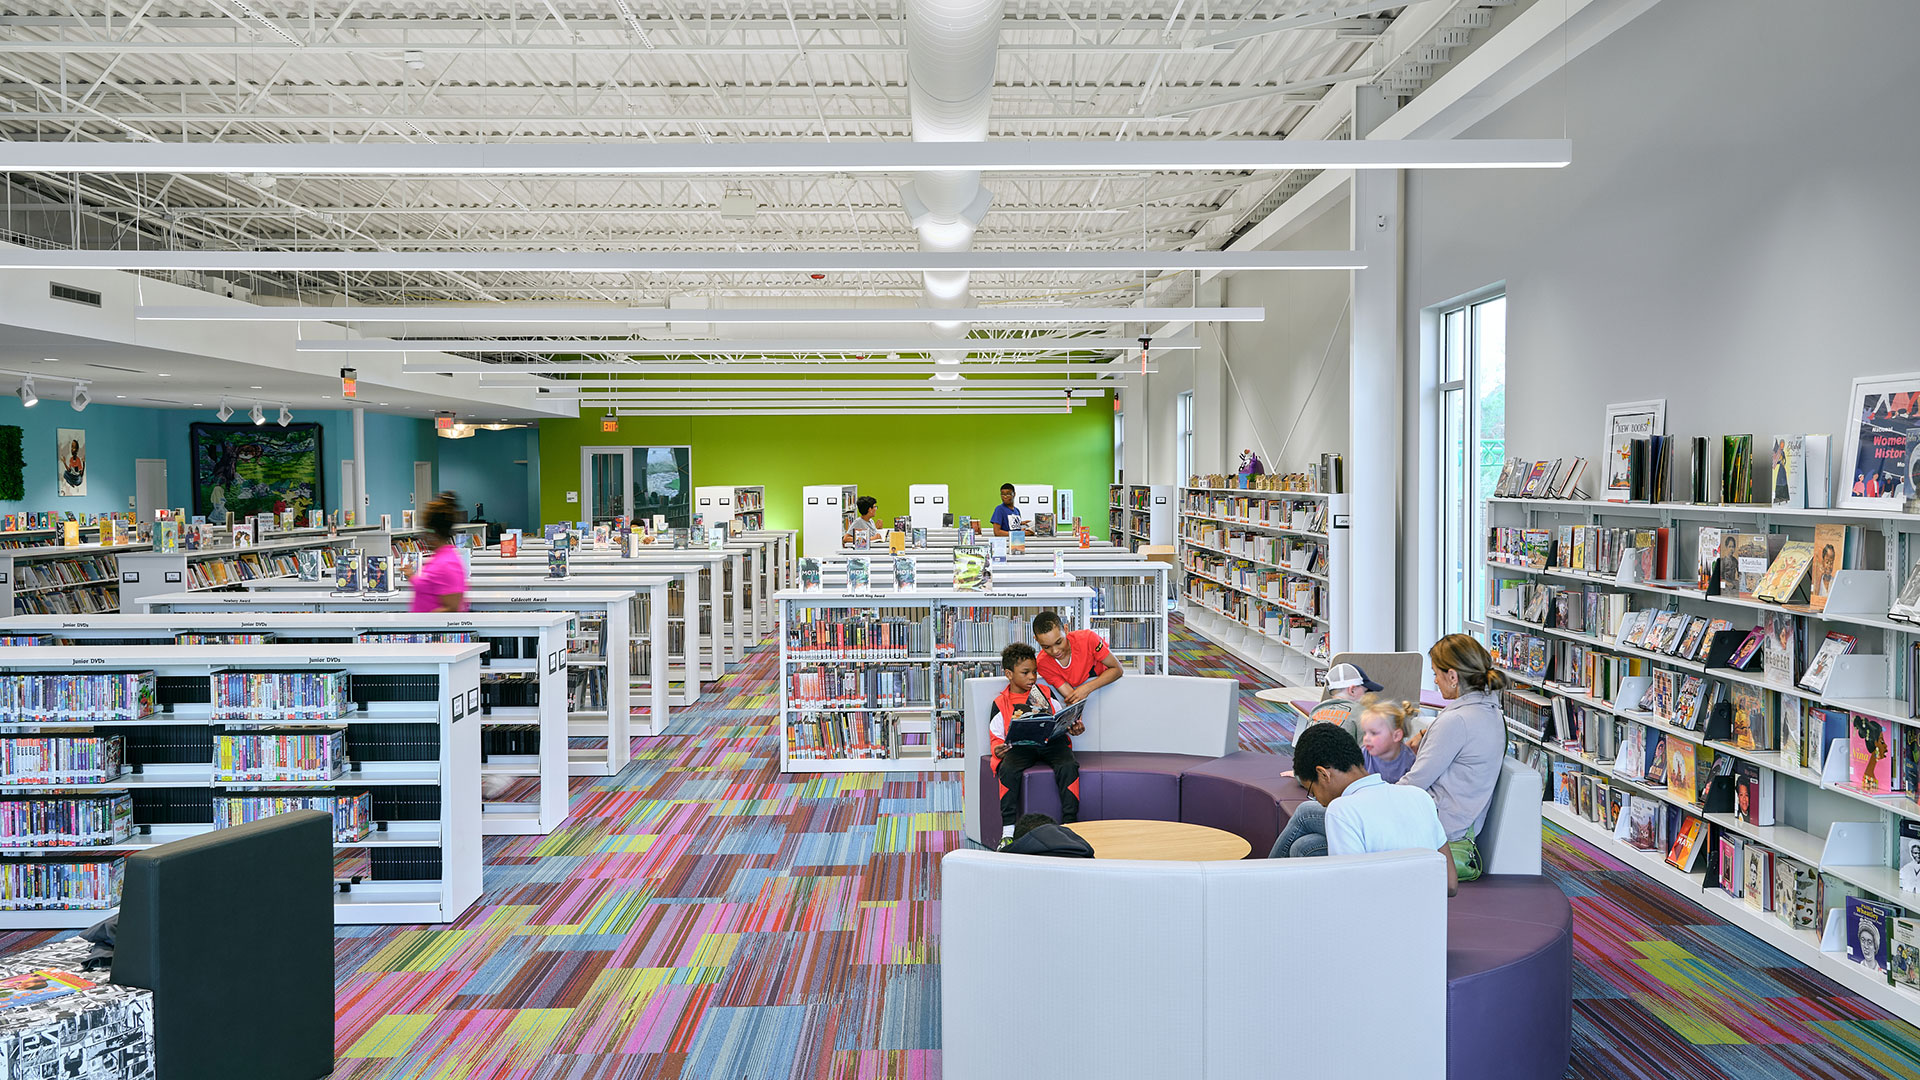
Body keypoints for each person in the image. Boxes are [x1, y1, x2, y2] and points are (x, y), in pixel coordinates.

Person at [1284, 724, 1455, 896]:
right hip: (1429, 916)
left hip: (1378, 916)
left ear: (1323, 774)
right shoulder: (1420, 796)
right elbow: (1450, 884)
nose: (1319, 802)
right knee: (1306, 845)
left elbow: (1349, 891)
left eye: (1312, 792)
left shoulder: (1341, 810)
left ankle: (1265, 887)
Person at [1401, 634, 1508, 882]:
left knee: (1315, 816)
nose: (1435, 681)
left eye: (1436, 674)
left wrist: (1373, 800)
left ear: (1452, 676)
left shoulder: (1456, 722)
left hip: (1437, 828)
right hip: (1456, 822)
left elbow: (1414, 783)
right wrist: (1428, 734)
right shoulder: (1489, 712)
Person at [1268, 696, 1420, 859]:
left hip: (1380, 821)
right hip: (1373, 818)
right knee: (1304, 846)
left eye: (1374, 733)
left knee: (1305, 812)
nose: (1367, 738)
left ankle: (1265, 876)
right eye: (1365, 732)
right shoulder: (1367, 754)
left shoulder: (1409, 763)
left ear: (1396, 735)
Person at [989, 642, 1082, 831]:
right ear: (1009, 674)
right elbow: (996, 736)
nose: (1032, 677)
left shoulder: (1045, 692)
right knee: (1007, 769)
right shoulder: (1000, 703)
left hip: (1051, 742)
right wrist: (998, 750)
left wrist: (1072, 726)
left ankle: (1071, 824)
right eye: (1025, 673)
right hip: (1020, 748)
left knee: (1068, 765)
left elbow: (1060, 716)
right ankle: (1008, 829)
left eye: (1034, 672)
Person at [1031, 610, 1123, 705]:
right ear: (1036, 640)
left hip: (1109, 693)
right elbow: (1072, 697)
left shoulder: (1088, 639)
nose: (1055, 651)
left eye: (1058, 642)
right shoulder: (1042, 664)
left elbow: (1117, 670)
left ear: (1066, 630)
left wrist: (1087, 688)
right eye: (1046, 647)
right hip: (1088, 705)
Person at [404, 492, 469, 613]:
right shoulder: (438, 558)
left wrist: (421, 621)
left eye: (425, 531)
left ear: (433, 533)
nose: (423, 537)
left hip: (429, 630)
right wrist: (412, 577)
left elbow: (452, 609)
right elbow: (429, 587)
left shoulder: (448, 564)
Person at [1301, 662, 1382, 739]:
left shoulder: (1316, 710)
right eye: (1365, 691)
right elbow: (1368, 750)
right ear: (1352, 690)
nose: (1366, 695)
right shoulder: (1362, 714)